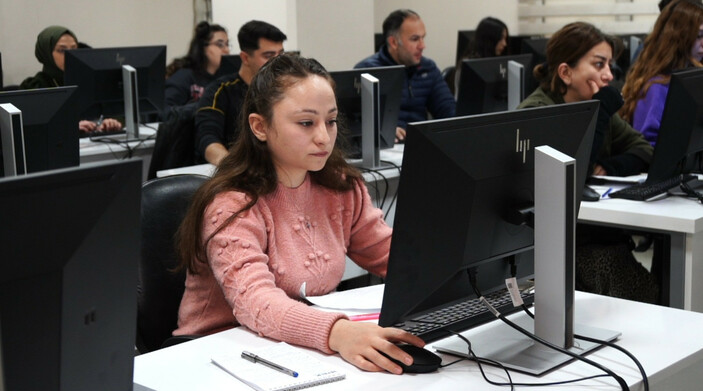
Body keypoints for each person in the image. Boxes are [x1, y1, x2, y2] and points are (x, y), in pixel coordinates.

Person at [175, 53, 424, 374]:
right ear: (259, 126)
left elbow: (395, 256)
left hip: (296, 347)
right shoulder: (233, 204)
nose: (324, 136)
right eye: (306, 123)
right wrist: (339, 332)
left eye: (331, 120)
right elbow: (256, 301)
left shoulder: (341, 186)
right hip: (217, 355)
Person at [518, 22, 658, 304]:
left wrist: (609, 167)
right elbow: (567, 178)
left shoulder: (594, 107)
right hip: (563, 248)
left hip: (596, 238)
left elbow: (643, 149)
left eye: (610, 65)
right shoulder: (539, 113)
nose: (608, 75)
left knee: (653, 295)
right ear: (566, 72)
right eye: (599, 64)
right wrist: (602, 115)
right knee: (646, 298)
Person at [355, 9, 455, 142]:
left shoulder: (428, 68)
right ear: (394, 43)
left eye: (423, 38)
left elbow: (448, 112)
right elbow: (354, 123)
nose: (422, 46)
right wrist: (382, 131)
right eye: (415, 39)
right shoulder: (367, 71)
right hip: (385, 148)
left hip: (421, 143)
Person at [194, 20, 286, 165]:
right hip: (239, 170)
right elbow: (208, 139)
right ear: (245, 58)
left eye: (280, 54)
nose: (277, 62)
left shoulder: (286, 91)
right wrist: (230, 165)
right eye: (268, 56)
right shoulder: (220, 91)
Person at [619, 0, 703, 145]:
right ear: (679, 38)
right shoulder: (657, 86)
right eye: (699, 36)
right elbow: (649, 147)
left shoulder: (689, 77)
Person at [20, 26, 121, 134]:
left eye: (74, 49)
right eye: (62, 50)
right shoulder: (34, 87)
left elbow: (115, 113)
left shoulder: (88, 82)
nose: (70, 55)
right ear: (47, 53)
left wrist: (111, 122)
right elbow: (32, 131)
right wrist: (68, 127)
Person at [163, 21, 230, 120]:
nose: (227, 50)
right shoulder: (184, 76)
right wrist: (203, 106)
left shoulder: (225, 79)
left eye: (227, 45)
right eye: (220, 45)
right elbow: (165, 112)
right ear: (203, 47)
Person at [450, 16, 510, 95]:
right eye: (501, 38)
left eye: (505, 39)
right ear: (489, 40)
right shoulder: (470, 66)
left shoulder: (497, 64)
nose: (504, 44)